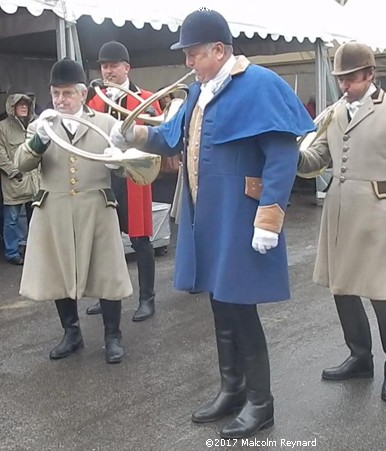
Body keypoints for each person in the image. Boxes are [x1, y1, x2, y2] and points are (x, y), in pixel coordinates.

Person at [110, 9, 314, 438]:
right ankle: (232, 389)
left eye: (194, 53)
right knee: (220, 303)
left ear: (219, 50)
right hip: (208, 216)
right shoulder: (200, 91)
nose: (188, 62)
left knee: (241, 308)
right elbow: (170, 137)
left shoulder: (260, 84)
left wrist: (270, 218)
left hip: (242, 216)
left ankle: (262, 402)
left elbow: (282, 155)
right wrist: (131, 136)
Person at [298, 42, 386, 402]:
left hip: (381, 216)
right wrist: (288, 155)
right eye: (340, 79)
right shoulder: (334, 112)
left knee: (383, 294)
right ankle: (359, 356)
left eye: (351, 78)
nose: (344, 86)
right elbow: (317, 159)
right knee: (343, 289)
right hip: (340, 214)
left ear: (370, 74)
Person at [15, 58, 133, 363]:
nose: (60, 100)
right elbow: (20, 164)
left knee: (107, 274)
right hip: (54, 209)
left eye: (67, 93)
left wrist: (116, 162)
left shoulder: (106, 123)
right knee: (59, 273)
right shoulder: (41, 125)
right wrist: (37, 142)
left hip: (96, 206)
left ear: (82, 94)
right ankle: (72, 333)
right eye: (55, 93)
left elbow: (125, 170)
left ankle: (113, 335)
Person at [86, 41, 163, 322]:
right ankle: (106, 296)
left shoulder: (145, 97)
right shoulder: (93, 99)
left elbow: (156, 134)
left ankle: (147, 299)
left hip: (133, 177)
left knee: (141, 240)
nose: (108, 71)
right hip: (104, 176)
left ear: (126, 68)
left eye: (114, 65)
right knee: (104, 241)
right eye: (104, 66)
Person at [0, 93, 40, 264]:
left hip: (35, 181)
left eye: (27, 105)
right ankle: (12, 253)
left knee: (36, 218)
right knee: (11, 219)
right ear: (11, 108)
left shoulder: (36, 124)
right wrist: (13, 172)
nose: (24, 107)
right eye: (20, 105)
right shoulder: (2, 128)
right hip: (15, 181)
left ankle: (32, 249)